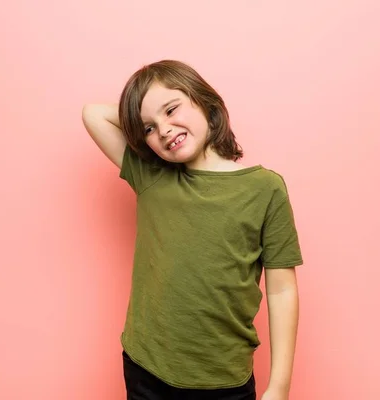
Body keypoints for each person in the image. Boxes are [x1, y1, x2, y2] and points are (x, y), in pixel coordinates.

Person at [82, 60, 304, 400]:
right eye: (149, 129)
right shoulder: (152, 177)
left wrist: (279, 386)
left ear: (204, 101)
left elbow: (282, 290)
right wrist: (144, 115)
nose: (164, 130)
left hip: (223, 378)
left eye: (172, 110)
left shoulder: (265, 188)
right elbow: (93, 114)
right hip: (146, 368)